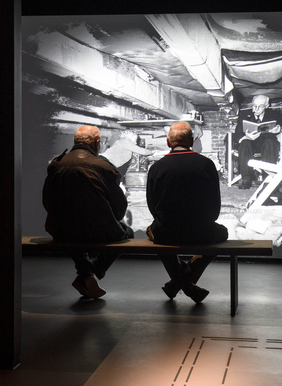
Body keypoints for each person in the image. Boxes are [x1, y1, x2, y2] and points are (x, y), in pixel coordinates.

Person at [42, 125, 134, 299]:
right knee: (127, 232)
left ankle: (85, 272)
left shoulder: (56, 164)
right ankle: (91, 274)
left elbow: (47, 201)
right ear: (97, 143)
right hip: (99, 231)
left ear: (75, 141)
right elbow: (120, 209)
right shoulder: (104, 167)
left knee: (70, 229)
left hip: (61, 231)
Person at [146, 122, 228, 303]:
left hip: (167, 232)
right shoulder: (207, 165)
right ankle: (186, 281)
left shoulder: (156, 168)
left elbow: (153, 206)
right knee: (222, 233)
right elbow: (215, 208)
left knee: (153, 232)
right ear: (192, 141)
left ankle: (178, 282)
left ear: (168, 142)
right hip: (201, 232)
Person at [233, 94, 282, 189]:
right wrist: (245, 137)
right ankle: (246, 179)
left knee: (269, 142)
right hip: (251, 144)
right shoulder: (244, 115)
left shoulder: (275, 115)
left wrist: (280, 129)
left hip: (267, 143)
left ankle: (268, 178)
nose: (256, 109)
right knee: (245, 143)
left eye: (260, 106)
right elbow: (237, 135)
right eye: (254, 106)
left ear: (266, 106)